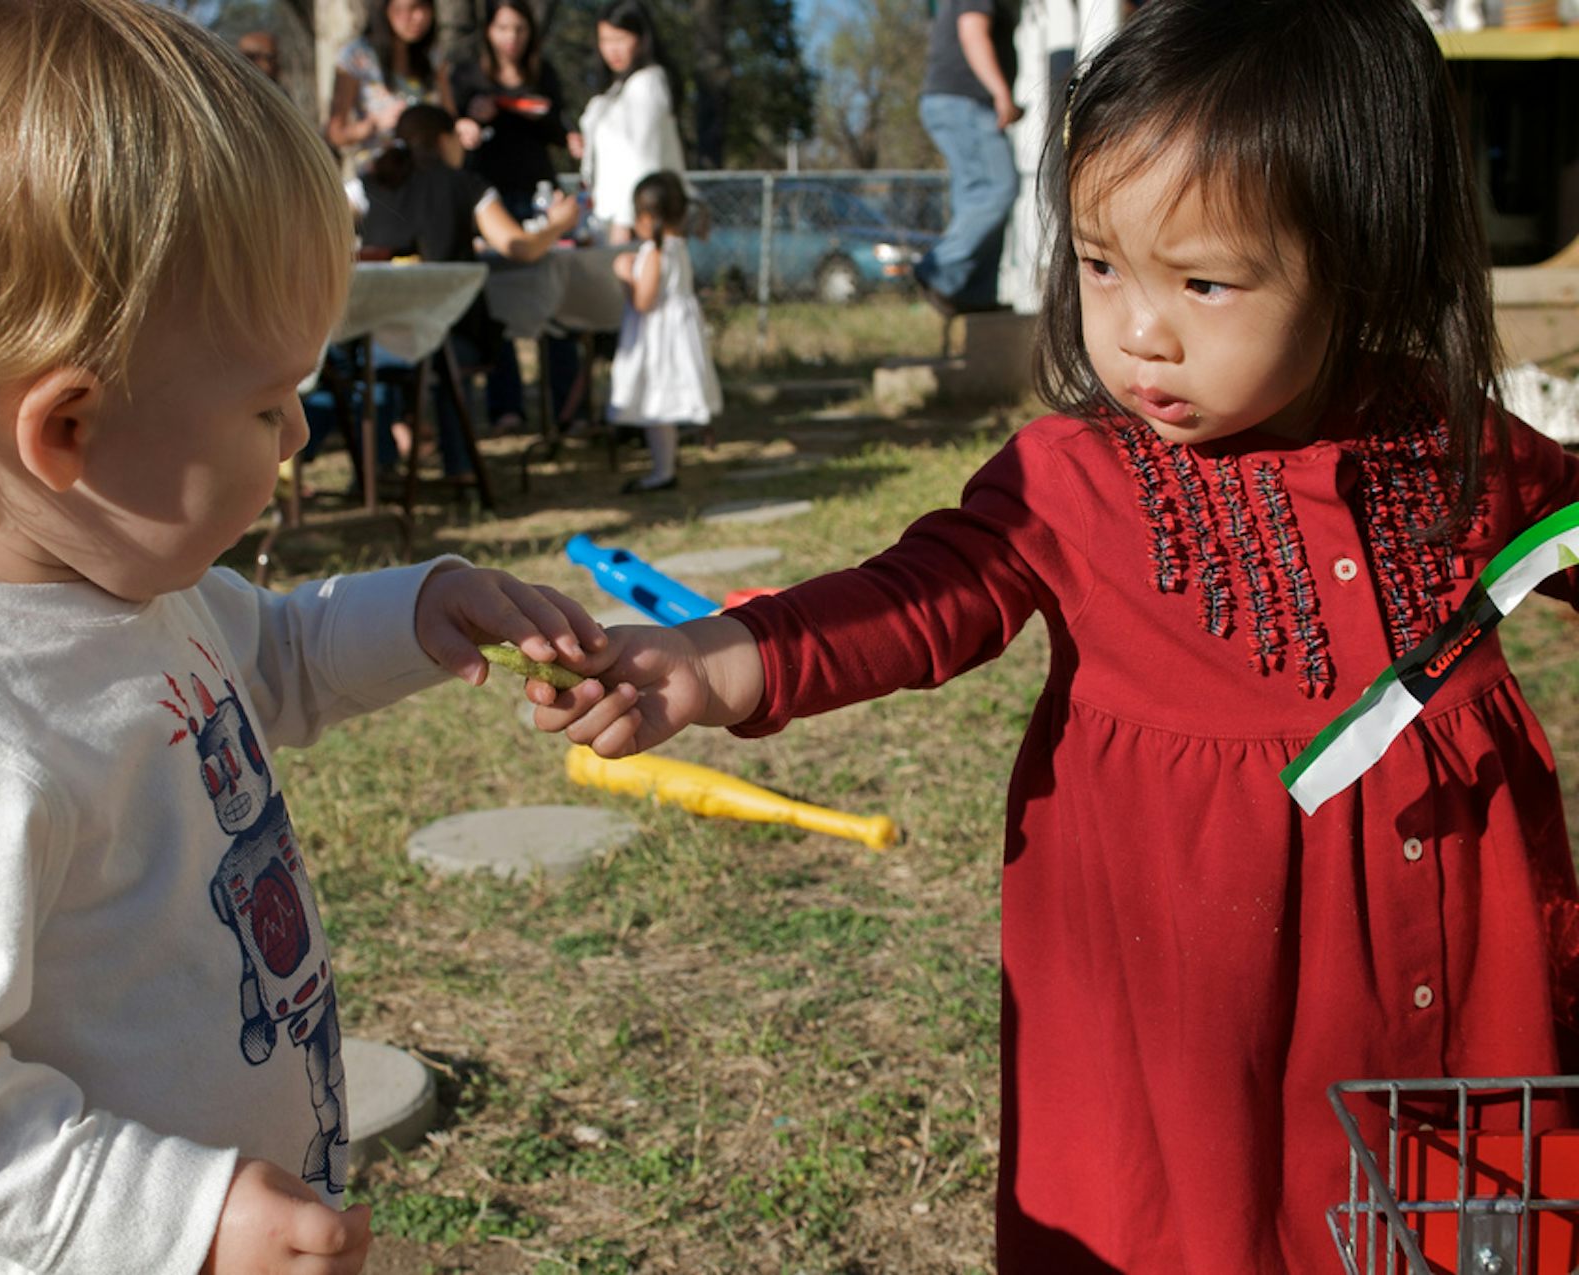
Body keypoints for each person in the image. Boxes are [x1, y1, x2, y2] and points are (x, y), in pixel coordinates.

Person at [526, 1, 1579, 1269]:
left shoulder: (1445, 439)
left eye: (1203, 280)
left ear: (1363, 256)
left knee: (1462, 1219)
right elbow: (920, 598)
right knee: (1216, 1225)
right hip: (1202, 1006)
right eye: (1098, 265)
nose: (1139, 329)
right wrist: (708, 662)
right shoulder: (1077, 480)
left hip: (1464, 961)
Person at [0, 2, 603, 1270]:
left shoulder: (134, 593)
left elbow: (276, 664)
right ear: (69, 431)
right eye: (269, 405)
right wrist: (177, 1217)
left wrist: (421, 610)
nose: (303, 437)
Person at [356, 102, 579, 479]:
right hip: (448, 335)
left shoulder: (367, 184)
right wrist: (557, 225)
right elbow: (519, 247)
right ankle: (457, 466)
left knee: (377, 367)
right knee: (451, 360)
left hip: (374, 339)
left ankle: (374, 469)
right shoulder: (466, 185)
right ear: (445, 140)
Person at [445, 0, 580, 434]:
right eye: (504, 28)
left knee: (556, 299)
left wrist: (561, 129)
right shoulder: (465, 73)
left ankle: (567, 407)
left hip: (538, 197)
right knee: (496, 301)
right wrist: (470, 120)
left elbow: (558, 129)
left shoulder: (545, 74)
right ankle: (506, 407)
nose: (511, 38)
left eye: (520, 29)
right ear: (489, 31)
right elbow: (449, 132)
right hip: (488, 201)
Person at [606, 172, 719, 494]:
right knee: (665, 406)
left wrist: (625, 275)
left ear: (645, 217)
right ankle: (665, 465)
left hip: (658, 344)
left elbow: (643, 301)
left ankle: (662, 471)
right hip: (675, 337)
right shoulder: (676, 246)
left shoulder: (655, 252)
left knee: (657, 406)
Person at [909, 0, 1021, 316]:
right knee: (998, 188)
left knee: (976, 197)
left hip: (956, 101)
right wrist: (1001, 93)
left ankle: (972, 294)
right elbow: (972, 31)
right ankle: (938, 270)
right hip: (965, 101)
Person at [576, 0, 684, 246]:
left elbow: (643, 160)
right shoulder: (617, 89)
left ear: (641, 38)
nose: (612, 49)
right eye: (605, 40)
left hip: (638, 226)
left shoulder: (647, 84)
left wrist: (625, 224)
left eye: (620, 39)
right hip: (609, 218)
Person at [327, 0, 441, 177]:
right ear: (385, 9)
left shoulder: (433, 56)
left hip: (428, 172)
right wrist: (374, 124)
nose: (419, 17)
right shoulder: (355, 56)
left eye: (425, 7)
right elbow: (335, 133)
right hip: (380, 176)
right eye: (411, 7)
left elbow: (450, 118)